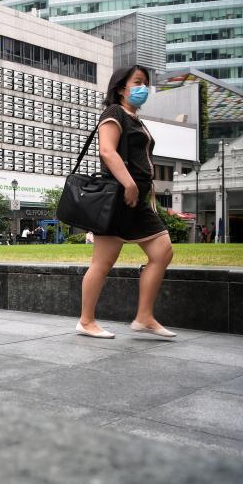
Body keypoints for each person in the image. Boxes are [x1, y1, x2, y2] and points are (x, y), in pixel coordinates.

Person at [77, 64, 175, 339]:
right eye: (138, 82)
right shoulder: (114, 113)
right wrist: (129, 183)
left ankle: (144, 317)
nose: (144, 87)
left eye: (146, 83)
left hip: (137, 200)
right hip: (118, 197)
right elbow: (107, 151)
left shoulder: (136, 119)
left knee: (162, 251)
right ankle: (86, 321)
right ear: (121, 88)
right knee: (103, 262)